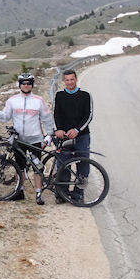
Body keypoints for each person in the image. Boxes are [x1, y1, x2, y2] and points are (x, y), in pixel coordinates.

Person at [0, 73, 55, 205]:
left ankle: (39, 193)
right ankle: (19, 191)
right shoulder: (12, 100)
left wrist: (49, 134)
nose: (26, 86)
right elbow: (6, 116)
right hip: (19, 140)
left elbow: (47, 118)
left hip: (35, 139)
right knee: (20, 167)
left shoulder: (39, 100)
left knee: (37, 168)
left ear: (32, 85)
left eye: (28, 84)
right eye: (23, 84)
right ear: (19, 85)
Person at [53, 69, 93, 204]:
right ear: (64, 81)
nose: (70, 82)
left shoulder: (85, 95)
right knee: (63, 164)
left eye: (72, 79)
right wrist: (59, 129)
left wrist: (77, 129)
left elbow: (88, 115)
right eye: (67, 80)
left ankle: (78, 193)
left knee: (83, 164)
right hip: (64, 136)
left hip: (82, 136)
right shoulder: (59, 95)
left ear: (76, 79)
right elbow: (56, 114)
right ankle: (62, 192)